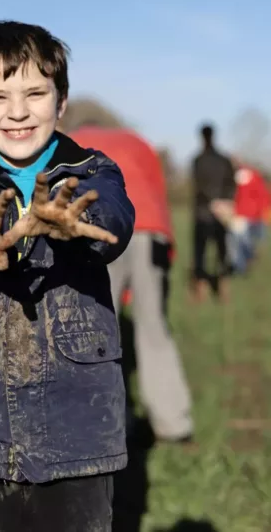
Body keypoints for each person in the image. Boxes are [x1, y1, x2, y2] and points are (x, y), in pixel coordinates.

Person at [0, 21, 135, 532]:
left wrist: (77, 221)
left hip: (80, 430)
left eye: (35, 93)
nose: (17, 112)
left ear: (61, 102)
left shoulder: (91, 171)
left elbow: (114, 216)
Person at [70, 124, 193, 444]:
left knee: (96, 329)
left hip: (101, 228)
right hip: (151, 230)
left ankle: (107, 421)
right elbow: (159, 192)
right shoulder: (139, 142)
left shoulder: (74, 140)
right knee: (153, 326)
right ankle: (173, 422)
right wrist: (170, 246)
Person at [190, 123, 235, 302]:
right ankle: (222, 288)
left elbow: (198, 187)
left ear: (202, 136)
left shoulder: (198, 160)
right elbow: (231, 184)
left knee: (201, 252)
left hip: (203, 213)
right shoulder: (225, 160)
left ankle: (202, 289)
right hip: (221, 213)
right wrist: (224, 202)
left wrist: (213, 202)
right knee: (221, 251)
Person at [228, 161, 270, 274]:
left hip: (241, 214)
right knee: (243, 241)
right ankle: (248, 258)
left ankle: (241, 266)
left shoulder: (236, 177)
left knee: (238, 242)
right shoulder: (255, 176)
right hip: (252, 215)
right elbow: (263, 195)